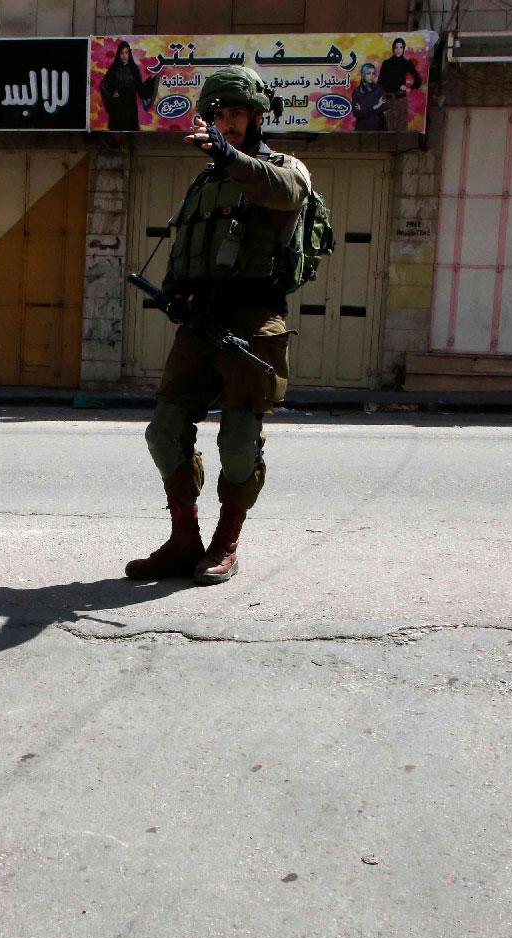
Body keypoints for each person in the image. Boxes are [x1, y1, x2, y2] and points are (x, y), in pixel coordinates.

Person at [126, 66, 311, 585]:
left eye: (236, 114)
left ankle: (225, 543)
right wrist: (177, 293)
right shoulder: (204, 183)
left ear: (256, 117)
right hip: (199, 323)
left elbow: (284, 193)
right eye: (220, 115)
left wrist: (231, 158)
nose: (227, 124)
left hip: (253, 321)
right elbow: (187, 248)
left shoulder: (284, 167)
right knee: (163, 431)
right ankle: (183, 539)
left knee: (238, 441)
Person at [99, 40, 159, 132]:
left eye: (126, 53)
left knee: (129, 133)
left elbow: (140, 89)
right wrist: (112, 93)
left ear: (129, 54)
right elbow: (103, 85)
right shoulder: (114, 68)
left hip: (130, 107)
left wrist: (151, 82)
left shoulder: (134, 69)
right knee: (116, 133)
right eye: (122, 53)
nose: (124, 56)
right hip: (117, 107)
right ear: (119, 54)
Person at [378, 37, 423, 132]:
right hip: (389, 98)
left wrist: (410, 88)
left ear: (403, 49)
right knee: (388, 127)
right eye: (396, 47)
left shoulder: (406, 63)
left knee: (401, 127)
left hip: (401, 98)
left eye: (401, 47)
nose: (398, 50)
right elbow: (381, 82)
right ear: (393, 49)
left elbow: (418, 79)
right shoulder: (387, 63)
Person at [351, 62, 386, 132]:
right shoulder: (357, 91)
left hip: (379, 127)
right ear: (363, 74)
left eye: (373, 73)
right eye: (368, 73)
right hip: (363, 128)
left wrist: (363, 108)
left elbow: (384, 107)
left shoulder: (380, 89)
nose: (371, 76)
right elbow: (356, 113)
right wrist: (375, 106)